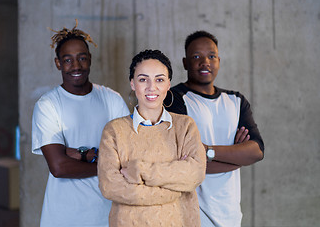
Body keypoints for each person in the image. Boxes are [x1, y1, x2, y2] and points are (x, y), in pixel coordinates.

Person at [31, 20, 130, 227]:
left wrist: (77, 153)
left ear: (90, 59)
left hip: (108, 215)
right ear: (58, 63)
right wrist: (98, 158)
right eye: (68, 60)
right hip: (64, 217)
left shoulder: (111, 99)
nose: (76, 66)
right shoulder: (48, 105)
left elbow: (127, 158)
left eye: (82, 58)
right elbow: (58, 167)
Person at [164, 31, 265, 227]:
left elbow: (257, 151)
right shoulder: (174, 99)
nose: (205, 62)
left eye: (211, 56)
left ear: (219, 60)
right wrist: (236, 158)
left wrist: (207, 151)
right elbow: (181, 163)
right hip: (191, 214)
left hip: (231, 213)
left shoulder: (236, 100)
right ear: (185, 63)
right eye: (196, 57)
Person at [98, 49, 206, 227]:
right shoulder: (114, 130)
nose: (151, 87)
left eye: (159, 79)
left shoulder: (185, 126)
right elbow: (111, 186)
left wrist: (139, 170)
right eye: (142, 79)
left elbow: (195, 173)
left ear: (168, 84)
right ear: (132, 83)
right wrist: (173, 187)